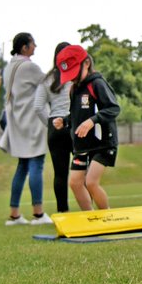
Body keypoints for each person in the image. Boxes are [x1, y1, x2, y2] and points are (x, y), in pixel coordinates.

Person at [54, 45, 120, 211]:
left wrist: (92, 121)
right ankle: (89, 218)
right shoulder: (74, 89)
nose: (72, 79)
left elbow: (113, 109)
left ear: (87, 64)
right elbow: (78, 114)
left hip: (103, 143)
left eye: (74, 73)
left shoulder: (97, 84)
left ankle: (107, 217)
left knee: (91, 182)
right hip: (82, 145)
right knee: (75, 183)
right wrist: (65, 121)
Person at [0, 33, 52, 225]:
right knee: (36, 163)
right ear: (24, 47)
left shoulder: (9, 67)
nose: (35, 46)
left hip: (17, 121)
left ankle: (14, 213)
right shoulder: (29, 66)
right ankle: (38, 213)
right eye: (32, 44)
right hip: (32, 121)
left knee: (22, 166)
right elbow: (49, 83)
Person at [35, 42, 74, 213]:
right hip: (74, 123)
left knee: (60, 173)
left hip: (54, 126)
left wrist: (50, 123)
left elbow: (38, 107)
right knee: (84, 170)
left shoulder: (47, 79)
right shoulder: (74, 77)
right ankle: (89, 210)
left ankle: (62, 212)